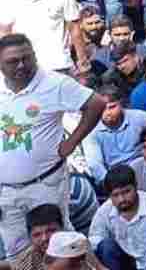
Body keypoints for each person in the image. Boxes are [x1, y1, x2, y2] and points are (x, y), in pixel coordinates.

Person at [0, 34, 106, 260]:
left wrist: (72, 141)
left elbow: (96, 104)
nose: (21, 65)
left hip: (46, 183)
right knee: (17, 251)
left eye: (26, 58)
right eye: (12, 61)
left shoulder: (54, 83)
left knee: (59, 246)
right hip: (5, 190)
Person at [89, 164, 146, 270]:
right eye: (116, 195)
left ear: (136, 186)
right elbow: (93, 242)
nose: (122, 199)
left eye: (126, 192)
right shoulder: (105, 211)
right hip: (123, 264)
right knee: (106, 246)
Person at [83, 84, 146, 190]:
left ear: (121, 104)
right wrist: (114, 186)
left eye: (112, 107)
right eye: (102, 109)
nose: (107, 113)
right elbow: (95, 165)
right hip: (115, 179)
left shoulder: (141, 118)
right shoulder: (91, 130)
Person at [10, 204, 67, 270]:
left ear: (62, 229)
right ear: (30, 238)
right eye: (37, 235)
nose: (44, 238)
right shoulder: (25, 262)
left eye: (51, 230)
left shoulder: (77, 247)